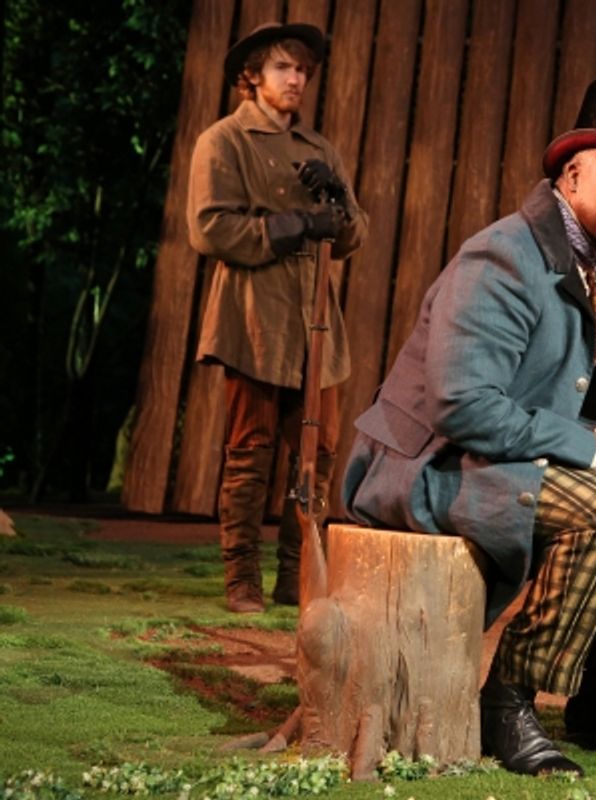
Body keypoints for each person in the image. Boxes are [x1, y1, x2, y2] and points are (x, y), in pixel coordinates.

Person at [342, 72, 596, 777]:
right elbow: (463, 404)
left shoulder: (580, 265)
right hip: (429, 464)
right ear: (571, 171)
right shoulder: (503, 255)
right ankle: (509, 699)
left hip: (485, 455)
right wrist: (590, 449)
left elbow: (562, 354)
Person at [188, 22, 368, 614]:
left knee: (316, 454)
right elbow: (209, 226)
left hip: (317, 324)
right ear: (254, 76)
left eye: (302, 71)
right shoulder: (225, 140)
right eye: (283, 68)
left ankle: (297, 579)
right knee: (251, 450)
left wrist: (338, 204)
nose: (295, 80)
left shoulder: (319, 150)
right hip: (254, 319)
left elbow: (353, 236)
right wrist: (290, 226)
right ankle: (242, 580)